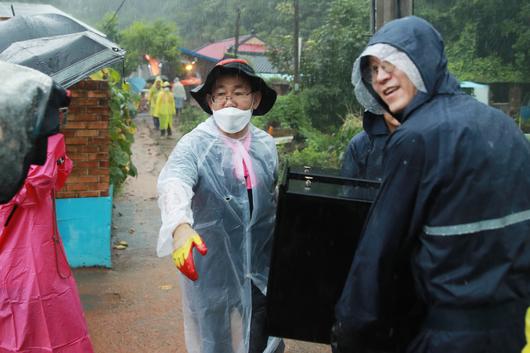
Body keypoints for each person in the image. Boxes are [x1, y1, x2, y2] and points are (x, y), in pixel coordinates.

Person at [333, 16, 530, 353]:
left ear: (423, 60)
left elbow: (377, 256)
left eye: (391, 62)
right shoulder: (505, 126)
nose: (381, 77)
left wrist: (348, 336)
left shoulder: (416, 138)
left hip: (447, 333)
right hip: (513, 331)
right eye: (373, 69)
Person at [157, 58, 283, 353]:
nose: (230, 101)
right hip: (212, 260)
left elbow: (273, 200)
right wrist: (179, 226)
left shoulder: (266, 145)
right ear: (210, 101)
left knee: (263, 334)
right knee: (216, 335)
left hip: (260, 263)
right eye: (221, 93)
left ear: (255, 98)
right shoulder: (195, 145)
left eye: (239, 92)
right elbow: (174, 180)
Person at [341, 112, 400, 181]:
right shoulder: (359, 143)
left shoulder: (414, 141)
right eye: (391, 103)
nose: (397, 109)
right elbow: (348, 187)